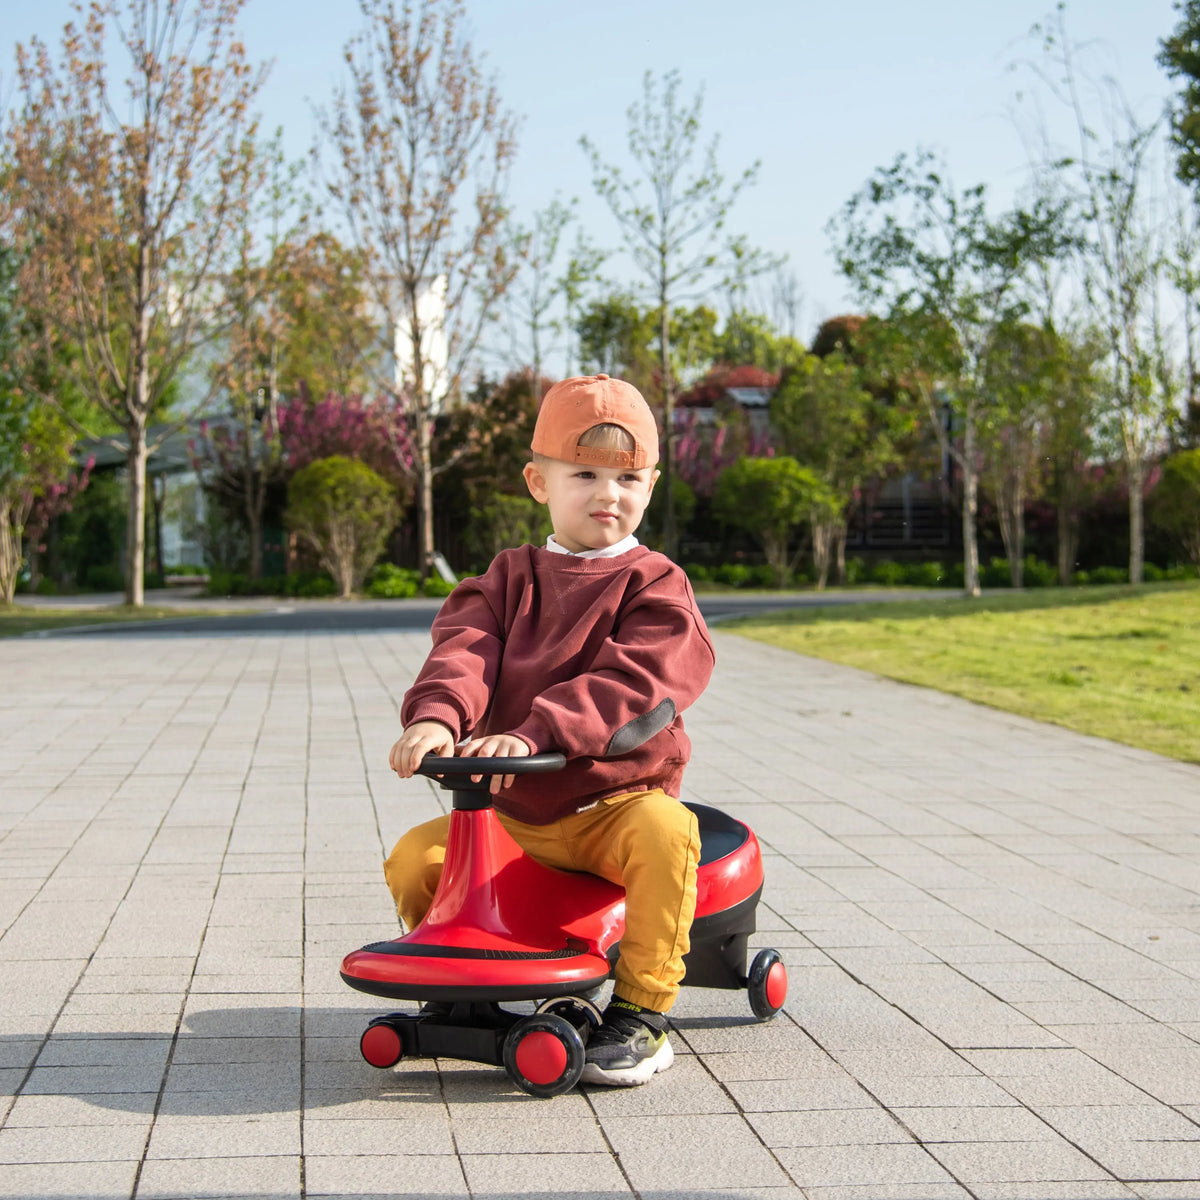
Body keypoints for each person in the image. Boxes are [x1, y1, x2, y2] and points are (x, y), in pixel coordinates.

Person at [385, 373, 715, 1087]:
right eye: (585, 474)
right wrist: (438, 715)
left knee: (669, 834)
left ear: (651, 486)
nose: (608, 493)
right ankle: (466, 990)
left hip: (615, 805)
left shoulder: (657, 586)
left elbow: (637, 683)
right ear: (539, 482)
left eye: (628, 478)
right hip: (516, 815)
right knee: (417, 857)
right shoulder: (508, 579)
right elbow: (465, 650)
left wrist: (537, 732)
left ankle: (641, 1013)